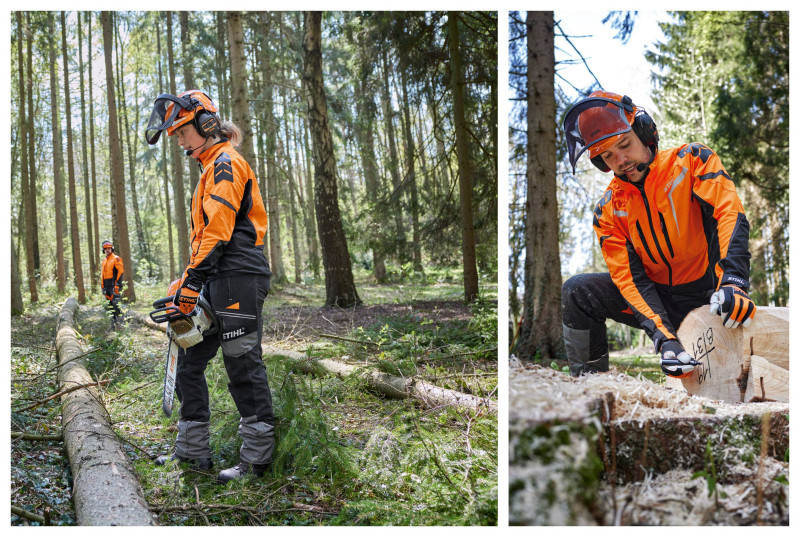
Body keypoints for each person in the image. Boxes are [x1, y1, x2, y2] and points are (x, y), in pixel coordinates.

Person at [561, 90, 756, 378]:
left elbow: (729, 215)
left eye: (625, 144)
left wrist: (734, 282)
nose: (621, 160)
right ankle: (589, 389)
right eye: (608, 156)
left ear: (643, 131)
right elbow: (629, 279)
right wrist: (665, 339)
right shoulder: (608, 210)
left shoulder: (692, 161)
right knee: (577, 292)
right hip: (658, 302)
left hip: (712, 293)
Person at [146, 89, 274, 483]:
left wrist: (193, 281)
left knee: (241, 362)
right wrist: (186, 280)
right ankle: (192, 452)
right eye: (175, 134)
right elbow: (205, 237)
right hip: (215, 277)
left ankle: (257, 460)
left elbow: (219, 233)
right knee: (189, 362)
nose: (179, 140)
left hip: (237, 276)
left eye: (182, 131)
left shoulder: (225, 165)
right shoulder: (208, 170)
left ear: (205, 124)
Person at [100, 240, 124, 328]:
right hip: (107, 286)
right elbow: (102, 275)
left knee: (115, 304)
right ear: (103, 250)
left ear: (112, 248)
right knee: (110, 306)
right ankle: (113, 324)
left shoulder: (116, 259)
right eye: (105, 249)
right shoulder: (104, 261)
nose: (107, 250)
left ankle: (121, 322)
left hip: (114, 285)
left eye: (109, 248)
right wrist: (102, 287)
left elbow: (120, 272)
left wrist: (117, 285)